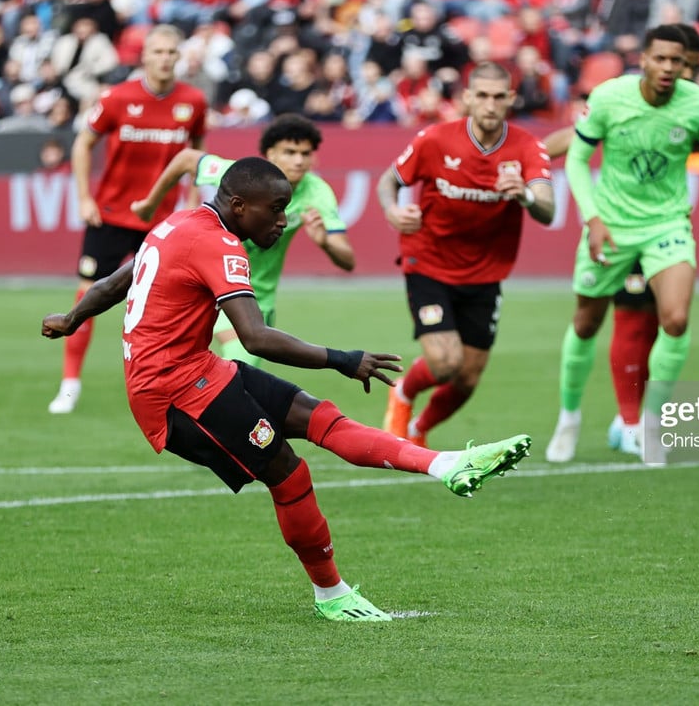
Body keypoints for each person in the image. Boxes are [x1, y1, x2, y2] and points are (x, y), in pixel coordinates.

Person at [41, 157, 532, 622]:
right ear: (239, 206)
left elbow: (115, 283)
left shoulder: (178, 223)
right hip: (172, 396)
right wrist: (342, 359)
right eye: (275, 209)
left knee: (320, 417)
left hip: (200, 370)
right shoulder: (218, 244)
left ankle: (446, 464)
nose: (283, 220)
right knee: (289, 474)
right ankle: (332, 596)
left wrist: (70, 317)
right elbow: (255, 337)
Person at [545, 24, 699, 464]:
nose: (668, 67)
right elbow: (577, 158)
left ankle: (649, 425)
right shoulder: (610, 97)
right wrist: (593, 219)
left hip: (668, 225)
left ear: (686, 65)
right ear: (644, 60)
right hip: (611, 224)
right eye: (660, 58)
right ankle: (569, 418)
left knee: (676, 320)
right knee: (586, 323)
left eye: (677, 61)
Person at [378, 62, 555, 447]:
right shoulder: (435, 139)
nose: (490, 104)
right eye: (483, 96)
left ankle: (419, 429)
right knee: (446, 362)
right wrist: (393, 211)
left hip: (485, 272)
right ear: (468, 98)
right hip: (428, 262)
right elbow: (389, 180)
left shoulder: (526, 146)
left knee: (468, 377)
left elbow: (547, 208)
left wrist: (525, 194)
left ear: (510, 98)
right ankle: (403, 391)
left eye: (499, 97)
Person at [48, 24, 208, 415]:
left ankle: (171, 384)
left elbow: (198, 154)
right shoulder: (117, 98)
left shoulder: (194, 101)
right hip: (111, 216)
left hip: (161, 222)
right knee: (88, 297)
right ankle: (69, 385)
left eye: (171, 52)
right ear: (144, 56)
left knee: (168, 306)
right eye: (158, 52)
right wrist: (84, 197)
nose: (165, 59)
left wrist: (192, 201)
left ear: (179, 57)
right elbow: (83, 144)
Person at [131, 114, 354, 366]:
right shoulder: (242, 177)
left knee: (236, 372)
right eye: (290, 152)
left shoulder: (317, 192)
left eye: (305, 153)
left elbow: (347, 260)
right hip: (213, 286)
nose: (299, 161)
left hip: (257, 297)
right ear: (270, 153)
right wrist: (149, 205)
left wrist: (325, 243)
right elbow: (186, 158)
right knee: (236, 367)